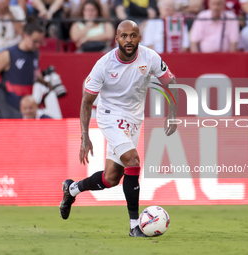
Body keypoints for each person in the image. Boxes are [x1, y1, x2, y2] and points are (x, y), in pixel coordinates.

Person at [59, 20, 178, 237]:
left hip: (134, 119)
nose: (129, 40)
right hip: (110, 116)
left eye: (133, 35)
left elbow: (171, 83)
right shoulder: (104, 65)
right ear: (117, 39)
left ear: (139, 38)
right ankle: (135, 226)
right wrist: (84, 136)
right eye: (124, 36)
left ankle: (72, 189)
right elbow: (86, 102)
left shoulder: (150, 57)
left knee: (111, 178)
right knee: (133, 161)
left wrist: (172, 116)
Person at [0, 18, 51, 119]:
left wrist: (47, 83)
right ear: (25, 36)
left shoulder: (35, 53)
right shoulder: (7, 55)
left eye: (40, 42)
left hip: (24, 103)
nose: (37, 45)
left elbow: (33, 74)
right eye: (35, 41)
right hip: (7, 102)